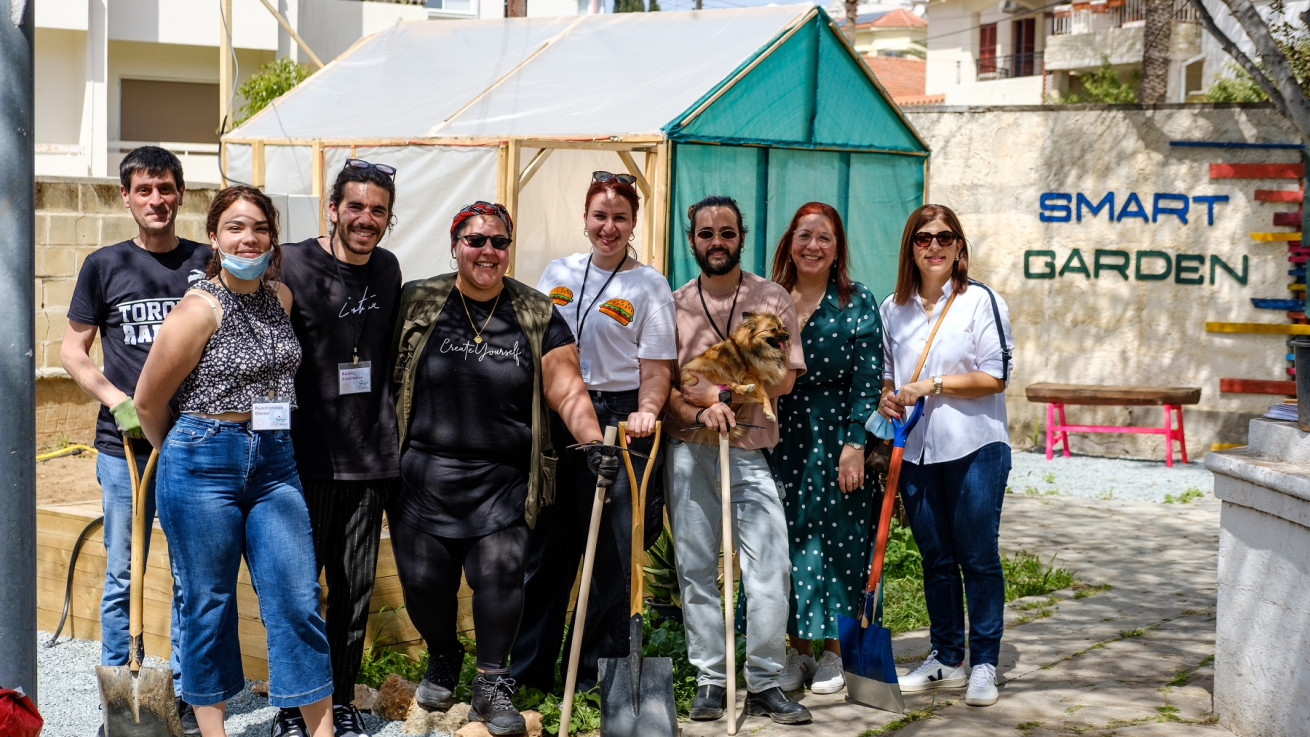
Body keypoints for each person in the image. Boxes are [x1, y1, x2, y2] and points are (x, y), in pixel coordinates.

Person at [390, 201, 617, 736]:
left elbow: (565, 387)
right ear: (455, 245)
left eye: (499, 241)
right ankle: (444, 654)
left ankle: (492, 683)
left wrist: (591, 442)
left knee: (501, 577)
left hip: (504, 480)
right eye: (476, 240)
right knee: (424, 586)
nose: (488, 251)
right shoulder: (419, 300)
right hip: (423, 476)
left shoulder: (535, 311)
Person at [135, 186, 334, 737]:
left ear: (273, 238)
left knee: (297, 598)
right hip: (203, 459)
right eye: (235, 228)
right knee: (208, 604)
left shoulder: (282, 299)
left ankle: (322, 731)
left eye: (260, 229)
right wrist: (181, 452)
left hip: (275, 461)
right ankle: (213, 730)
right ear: (215, 238)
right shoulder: (198, 310)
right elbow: (149, 402)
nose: (249, 238)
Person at [60, 145, 209, 736]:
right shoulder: (104, 265)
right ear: (126, 196)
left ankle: (182, 693)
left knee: (190, 572)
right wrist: (116, 400)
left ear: (180, 193)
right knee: (125, 569)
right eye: (144, 190)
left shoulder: (206, 262)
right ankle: (122, 699)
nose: (157, 200)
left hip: (192, 441)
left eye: (167, 188)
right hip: (123, 445)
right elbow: (73, 351)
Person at [511, 172, 677, 694]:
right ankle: (528, 674)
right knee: (546, 551)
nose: (609, 227)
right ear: (585, 219)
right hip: (558, 413)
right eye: (600, 216)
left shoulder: (649, 285)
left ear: (634, 224)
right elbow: (532, 345)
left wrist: (647, 411)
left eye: (620, 218)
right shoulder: (557, 272)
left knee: (610, 555)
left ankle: (591, 680)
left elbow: (656, 369)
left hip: (620, 416)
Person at [664, 195, 811, 725]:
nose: (717, 242)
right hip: (689, 450)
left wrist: (720, 393)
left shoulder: (770, 298)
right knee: (696, 567)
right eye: (706, 234)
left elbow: (786, 376)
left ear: (741, 238)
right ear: (693, 241)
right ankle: (711, 678)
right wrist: (701, 407)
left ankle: (766, 680)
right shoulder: (676, 303)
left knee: (770, 567)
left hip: (749, 449)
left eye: (727, 233)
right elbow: (669, 384)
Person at [273, 159, 403, 737]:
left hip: (367, 457)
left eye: (378, 210)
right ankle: (291, 708)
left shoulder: (389, 270)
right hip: (302, 458)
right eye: (355, 206)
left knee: (352, 592)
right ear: (332, 208)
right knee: (300, 593)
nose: (365, 219)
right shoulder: (293, 262)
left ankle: (342, 700)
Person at [877, 204, 1014, 708]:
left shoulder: (981, 301)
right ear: (910, 247)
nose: (933, 246)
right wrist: (890, 395)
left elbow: (995, 376)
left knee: (977, 557)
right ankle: (946, 657)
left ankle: (983, 664)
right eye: (922, 238)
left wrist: (931, 385)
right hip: (915, 451)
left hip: (975, 446)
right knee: (936, 560)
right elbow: (889, 377)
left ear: (959, 247)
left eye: (944, 236)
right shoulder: (892, 308)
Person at [767, 202, 884, 695]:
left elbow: (868, 376)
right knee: (785, 541)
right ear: (789, 243)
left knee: (840, 541)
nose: (813, 245)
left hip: (837, 435)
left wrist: (856, 441)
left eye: (824, 238)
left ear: (838, 250)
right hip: (779, 433)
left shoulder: (857, 301)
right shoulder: (769, 300)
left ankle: (835, 652)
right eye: (804, 235)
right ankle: (795, 650)